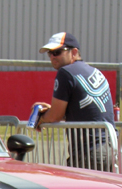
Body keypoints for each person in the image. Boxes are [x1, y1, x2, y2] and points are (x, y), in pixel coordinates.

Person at [32, 32, 115, 171]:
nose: (53, 57)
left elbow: (55, 116)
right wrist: (54, 111)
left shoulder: (66, 72)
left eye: (57, 52)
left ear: (74, 52)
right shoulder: (94, 71)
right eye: (50, 53)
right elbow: (87, 112)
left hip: (90, 152)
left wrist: (40, 118)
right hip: (112, 148)